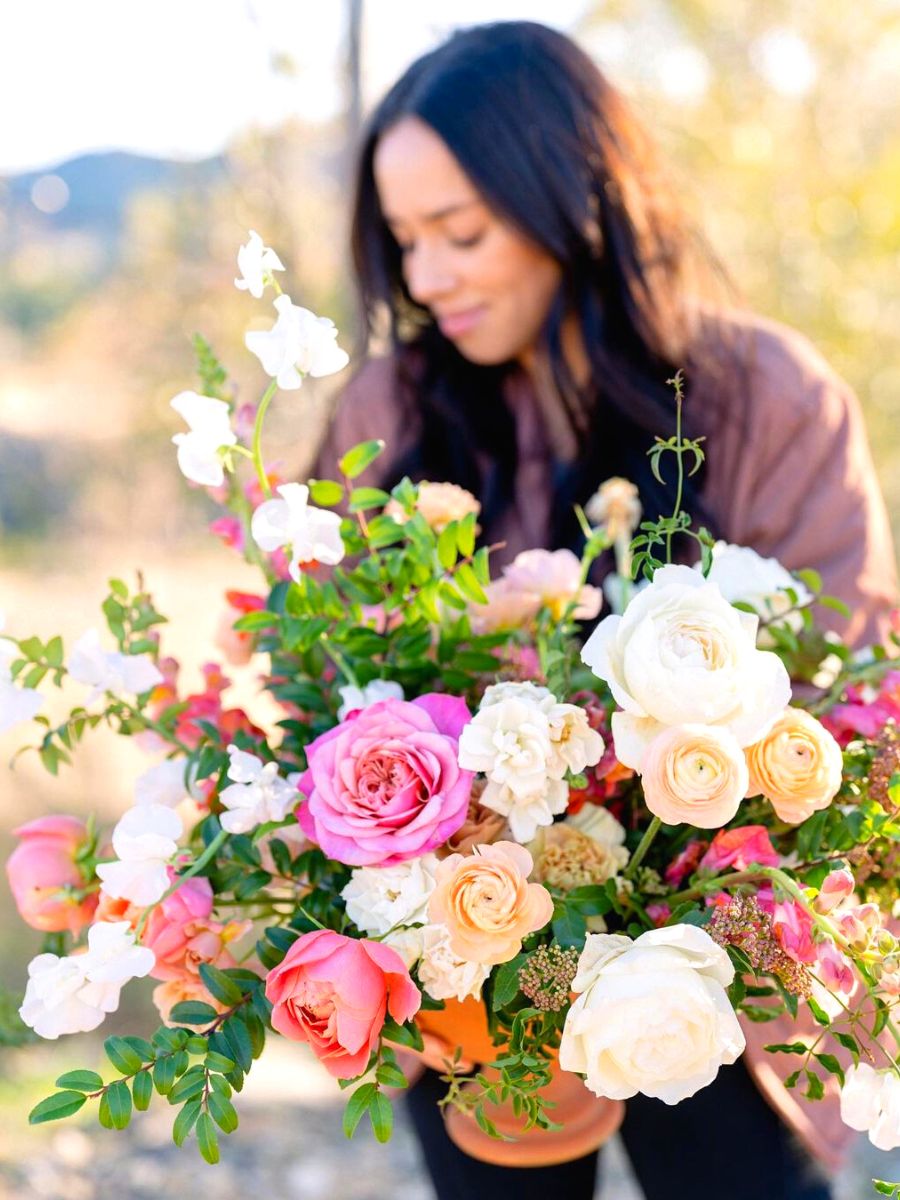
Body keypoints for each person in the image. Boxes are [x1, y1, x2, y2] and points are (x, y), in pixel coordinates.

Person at [314, 20, 898, 1200]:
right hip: (467, 968)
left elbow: (848, 699)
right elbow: (309, 688)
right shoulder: (387, 410)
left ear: (573, 201)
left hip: (721, 968)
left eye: (462, 234)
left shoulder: (764, 398)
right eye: (405, 241)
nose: (425, 279)